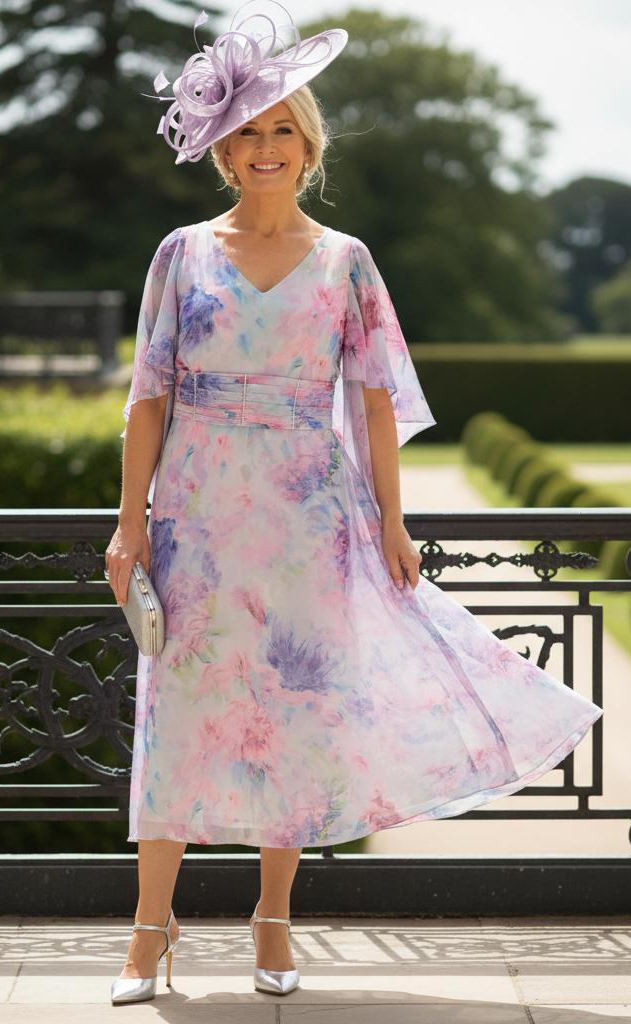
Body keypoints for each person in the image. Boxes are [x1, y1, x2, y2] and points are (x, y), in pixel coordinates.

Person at [105, 1, 603, 1006]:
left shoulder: (347, 263)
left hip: (306, 518)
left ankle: (272, 922)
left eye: (283, 130)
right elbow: (147, 396)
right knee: (180, 716)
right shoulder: (180, 255)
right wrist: (128, 523)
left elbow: (373, 402)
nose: (265, 149)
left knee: (294, 713)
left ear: (308, 145)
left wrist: (391, 521)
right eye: (247, 132)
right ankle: (146, 935)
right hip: (196, 517)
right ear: (221, 149)